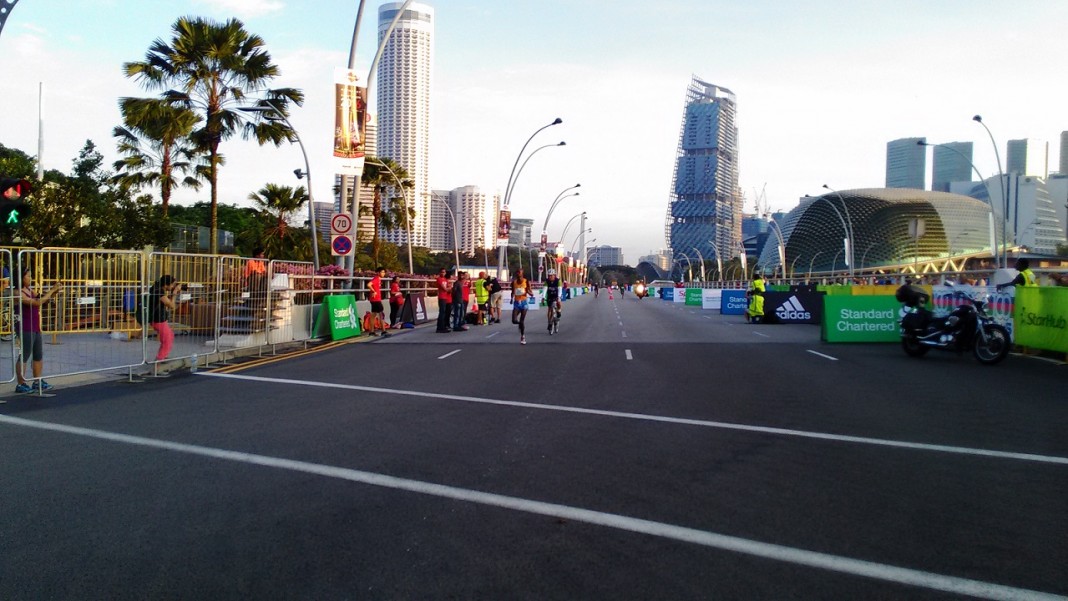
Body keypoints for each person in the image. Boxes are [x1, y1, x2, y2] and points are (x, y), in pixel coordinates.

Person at [16, 268, 64, 393]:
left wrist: (54, 292)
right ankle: (21, 383)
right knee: (25, 355)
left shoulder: (29, 290)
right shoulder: (18, 292)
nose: (30, 278)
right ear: (21, 278)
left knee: (38, 354)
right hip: (25, 326)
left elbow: (42, 299)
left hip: (35, 326)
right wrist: (52, 291)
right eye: (28, 276)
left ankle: (37, 381)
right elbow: (36, 303)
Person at [146, 275, 184, 362]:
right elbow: (172, 306)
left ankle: (163, 356)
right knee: (167, 340)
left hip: (159, 319)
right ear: (166, 285)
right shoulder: (159, 292)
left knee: (170, 335)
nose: (173, 286)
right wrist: (174, 294)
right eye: (172, 284)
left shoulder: (157, 288)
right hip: (158, 320)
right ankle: (159, 361)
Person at [366, 267, 390, 337]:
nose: (383, 273)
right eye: (382, 272)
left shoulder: (379, 279)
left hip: (375, 299)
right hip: (376, 300)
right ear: (378, 273)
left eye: (384, 272)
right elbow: (369, 284)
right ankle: (383, 331)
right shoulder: (376, 279)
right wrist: (373, 291)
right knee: (381, 314)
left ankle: (371, 331)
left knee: (373, 315)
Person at [511, 268, 532, 344]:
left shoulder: (526, 281)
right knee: (514, 320)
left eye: (519, 272)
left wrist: (528, 292)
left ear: (522, 273)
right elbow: (513, 291)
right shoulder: (514, 282)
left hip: (524, 303)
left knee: (522, 320)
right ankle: (520, 324)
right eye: (517, 272)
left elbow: (530, 292)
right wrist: (511, 298)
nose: (518, 273)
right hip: (517, 303)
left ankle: (523, 337)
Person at [436, 268, 452, 333]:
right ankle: (440, 327)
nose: (443, 273)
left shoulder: (445, 279)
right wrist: (448, 289)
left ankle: (444, 326)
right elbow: (445, 288)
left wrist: (449, 288)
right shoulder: (439, 279)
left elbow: (449, 288)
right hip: (441, 297)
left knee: (445, 312)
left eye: (444, 272)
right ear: (440, 272)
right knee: (442, 312)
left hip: (446, 298)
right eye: (442, 272)